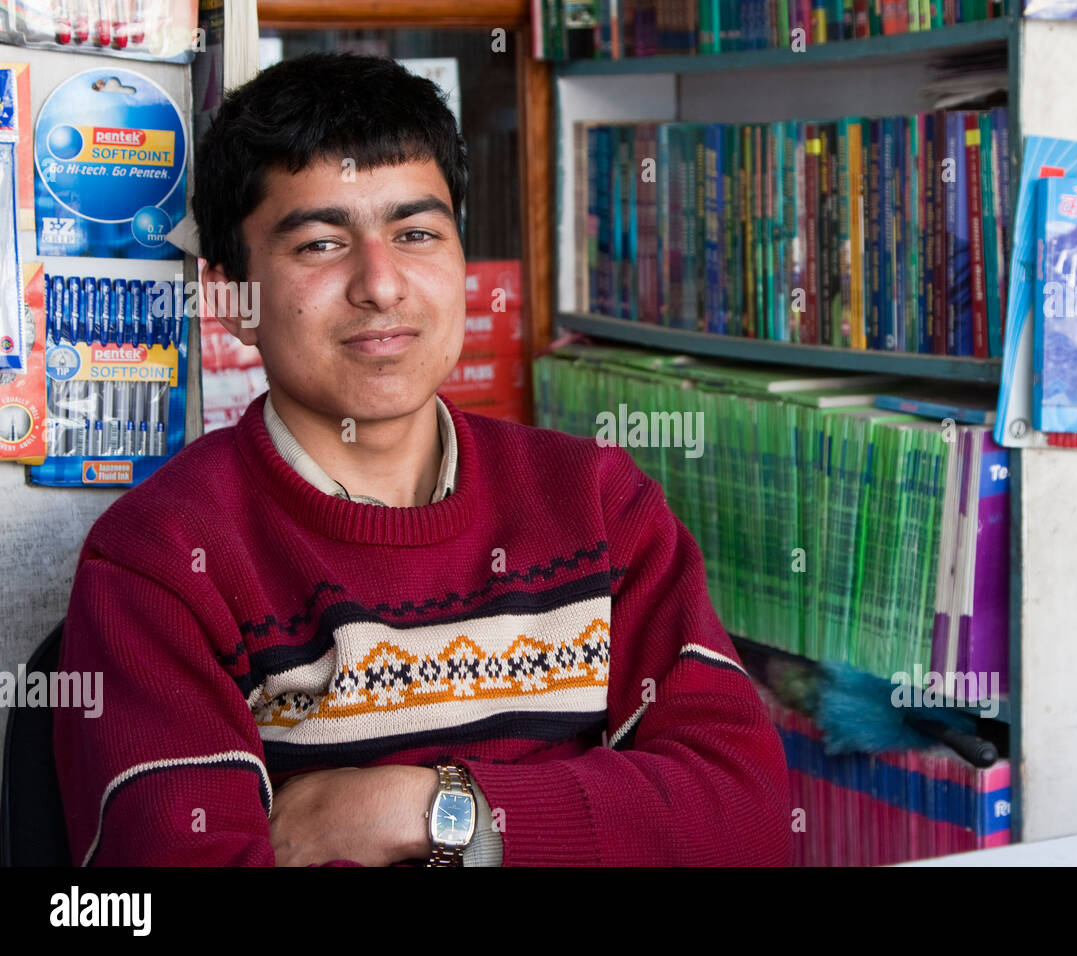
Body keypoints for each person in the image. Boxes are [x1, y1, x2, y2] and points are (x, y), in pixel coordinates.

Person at [51, 52, 791, 867]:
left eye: (416, 234)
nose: (382, 284)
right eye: (321, 244)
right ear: (231, 297)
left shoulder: (598, 502)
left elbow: (750, 818)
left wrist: (433, 807)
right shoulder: (159, 563)